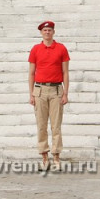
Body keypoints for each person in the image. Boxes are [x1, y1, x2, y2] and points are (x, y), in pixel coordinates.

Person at [27, 20, 70, 170]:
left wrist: (65, 92)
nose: (47, 32)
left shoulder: (61, 49)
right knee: (41, 125)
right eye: (44, 30)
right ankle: (44, 157)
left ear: (53, 32)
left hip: (56, 90)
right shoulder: (35, 49)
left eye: (49, 30)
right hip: (39, 90)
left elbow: (65, 72)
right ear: (41, 33)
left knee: (56, 125)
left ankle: (56, 157)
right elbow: (31, 73)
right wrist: (31, 94)